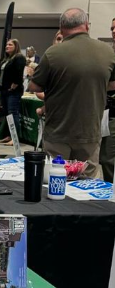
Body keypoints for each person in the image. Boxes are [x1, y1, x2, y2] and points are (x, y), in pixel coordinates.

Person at [30, 8, 115, 178]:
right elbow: (112, 85)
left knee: (54, 181)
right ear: (86, 25)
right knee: (84, 187)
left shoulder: (53, 53)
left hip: (58, 131)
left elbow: (34, 87)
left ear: (61, 28)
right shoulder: (107, 52)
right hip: (90, 132)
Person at [102, 18, 115, 182]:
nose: (113, 31)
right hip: (108, 110)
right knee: (105, 158)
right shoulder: (109, 52)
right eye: (112, 27)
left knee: (107, 158)